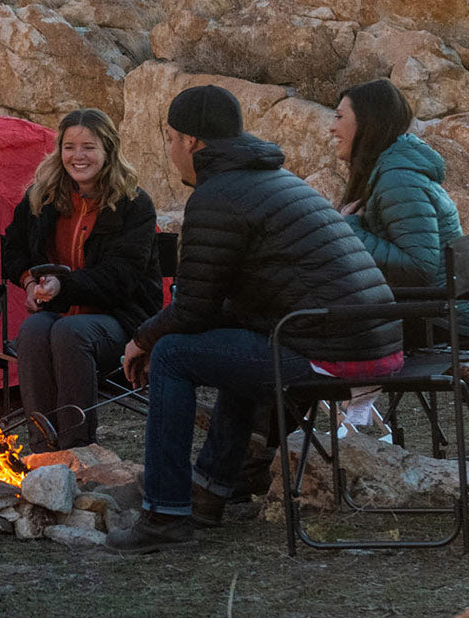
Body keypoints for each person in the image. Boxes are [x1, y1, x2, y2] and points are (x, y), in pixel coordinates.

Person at [105, 86, 403, 554]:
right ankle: (208, 493)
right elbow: (221, 305)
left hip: (338, 353)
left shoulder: (218, 195)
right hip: (367, 343)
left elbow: (193, 309)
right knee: (231, 346)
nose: (169, 149)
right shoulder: (271, 179)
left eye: (169, 137)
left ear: (192, 142)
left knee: (171, 355)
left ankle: (163, 513)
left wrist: (141, 340)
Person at [0, 108, 161, 449]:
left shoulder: (133, 204)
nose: (78, 156)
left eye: (88, 147)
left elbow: (122, 277)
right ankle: (42, 450)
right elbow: (12, 251)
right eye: (69, 146)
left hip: (120, 317)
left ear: (108, 150)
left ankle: (77, 450)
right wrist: (30, 281)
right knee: (32, 329)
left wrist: (64, 287)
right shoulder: (40, 197)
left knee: (70, 332)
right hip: (58, 314)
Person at [327, 79, 464, 439]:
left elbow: (418, 268)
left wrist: (349, 230)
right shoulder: (388, 173)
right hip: (425, 312)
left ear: (366, 123)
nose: (332, 126)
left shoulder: (397, 180)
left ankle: (265, 455)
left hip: (434, 320)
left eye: (340, 116)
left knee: (295, 338)